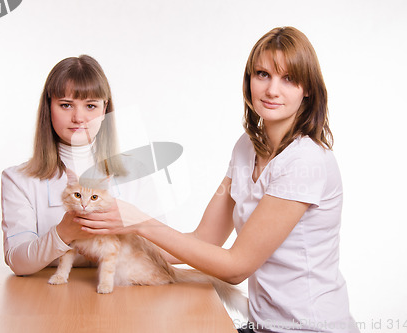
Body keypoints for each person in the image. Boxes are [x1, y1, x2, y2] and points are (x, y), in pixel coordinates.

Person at [71, 27, 360, 333]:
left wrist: (139, 222)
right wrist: (119, 248)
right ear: (249, 80)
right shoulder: (247, 147)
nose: (272, 89)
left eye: (288, 78)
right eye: (262, 74)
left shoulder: (305, 162)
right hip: (265, 327)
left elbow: (236, 267)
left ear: (308, 89)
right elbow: (205, 239)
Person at [1, 55, 158, 275]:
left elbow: (160, 250)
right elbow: (18, 262)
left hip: (123, 296)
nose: (79, 117)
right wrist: (63, 233)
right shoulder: (18, 179)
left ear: (104, 110)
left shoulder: (136, 172)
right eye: (66, 105)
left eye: (90, 106)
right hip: (45, 298)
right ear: (49, 107)